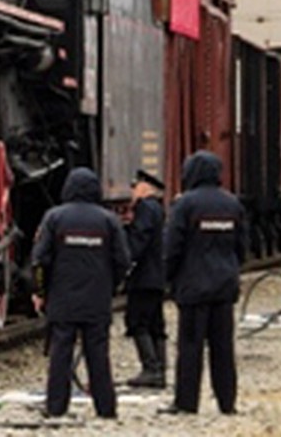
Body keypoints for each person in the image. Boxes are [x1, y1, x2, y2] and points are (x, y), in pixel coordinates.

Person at [31, 166, 130, 419]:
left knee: (60, 354)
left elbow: (40, 260)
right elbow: (122, 261)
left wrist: (40, 291)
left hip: (62, 300)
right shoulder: (109, 220)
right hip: (97, 300)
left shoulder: (54, 218)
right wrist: (111, 287)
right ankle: (106, 408)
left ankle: (56, 407)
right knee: (98, 355)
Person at [162, 150, 247, 416]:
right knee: (223, 348)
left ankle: (187, 402)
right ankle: (227, 402)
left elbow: (172, 247)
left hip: (193, 287)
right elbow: (242, 247)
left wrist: (168, 278)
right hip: (223, 287)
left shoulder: (185, 205)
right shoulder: (233, 204)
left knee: (190, 347)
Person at [124, 168, 167, 389]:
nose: (132, 191)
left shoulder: (145, 209)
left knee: (137, 322)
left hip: (144, 277)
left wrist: (126, 260)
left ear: (145, 187)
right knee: (155, 324)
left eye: (135, 186)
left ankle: (151, 369)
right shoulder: (158, 209)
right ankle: (160, 367)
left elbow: (139, 238)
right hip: (156, 277)